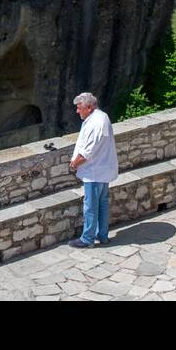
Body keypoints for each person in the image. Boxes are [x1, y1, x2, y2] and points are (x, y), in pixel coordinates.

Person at [68, 92, 118, 248]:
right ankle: (102, 236)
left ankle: (87, 239)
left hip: (95, 171)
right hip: (103, 169)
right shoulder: (101, 116)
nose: (77, 111)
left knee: (90, 206)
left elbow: (87, 152)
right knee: (102, 203)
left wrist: (75, 164)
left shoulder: (95, 123)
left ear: (89, 107)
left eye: (79, 108)